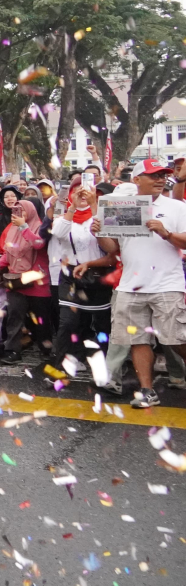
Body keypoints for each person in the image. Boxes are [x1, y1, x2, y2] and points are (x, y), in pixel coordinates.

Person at [96, 158, 186, 408]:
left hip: (167, 284)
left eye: (163, 175)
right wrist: (100, 232)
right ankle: (147, 391)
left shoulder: (176, 207)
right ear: (136, 179)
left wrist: (166, 233)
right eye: (154, 175)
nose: (160, 180)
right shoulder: (125, 207)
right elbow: (113, 248)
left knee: (176, 338)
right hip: (130, 285)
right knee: (137, 340)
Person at [48, 185, 115, 385]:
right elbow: (58, 233)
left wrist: (94, 206)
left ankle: (106, 368)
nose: (83, 195)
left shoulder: (101, 215)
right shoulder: (64, 219)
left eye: (87, 192)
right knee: (67, 322)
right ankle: (60, 369)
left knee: (101, 324)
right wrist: (72, 207)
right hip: (71, 275)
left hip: (98, 275)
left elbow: (110, 244)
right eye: (77, 192)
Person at [0, 197, 50, 364]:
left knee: (41, 317)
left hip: (37, 281)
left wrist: (24, 227)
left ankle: (45, 347)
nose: (18, 214)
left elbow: (38, 244)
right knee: (14, 316)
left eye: (22, 211)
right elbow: (9, 252)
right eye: (15, 211)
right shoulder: (12, 229)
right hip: (16, 279)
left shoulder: (40, 226)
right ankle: (12, 350)